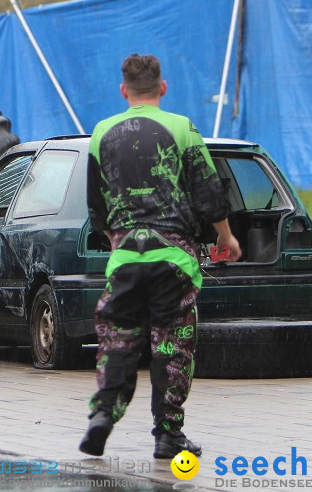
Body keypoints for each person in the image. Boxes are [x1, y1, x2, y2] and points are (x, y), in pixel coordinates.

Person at [79, 54, 242, 460]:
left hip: (125, 258)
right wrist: (227, 238)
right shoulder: (183, 128)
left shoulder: (100, 134)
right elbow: (208, 194)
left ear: (124, 91)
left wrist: (120, 243)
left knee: (118, 338)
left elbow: (96, 208)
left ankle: (103, 415)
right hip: (174, 259)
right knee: (172, 343)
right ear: (162, 87)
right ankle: (168, 434)